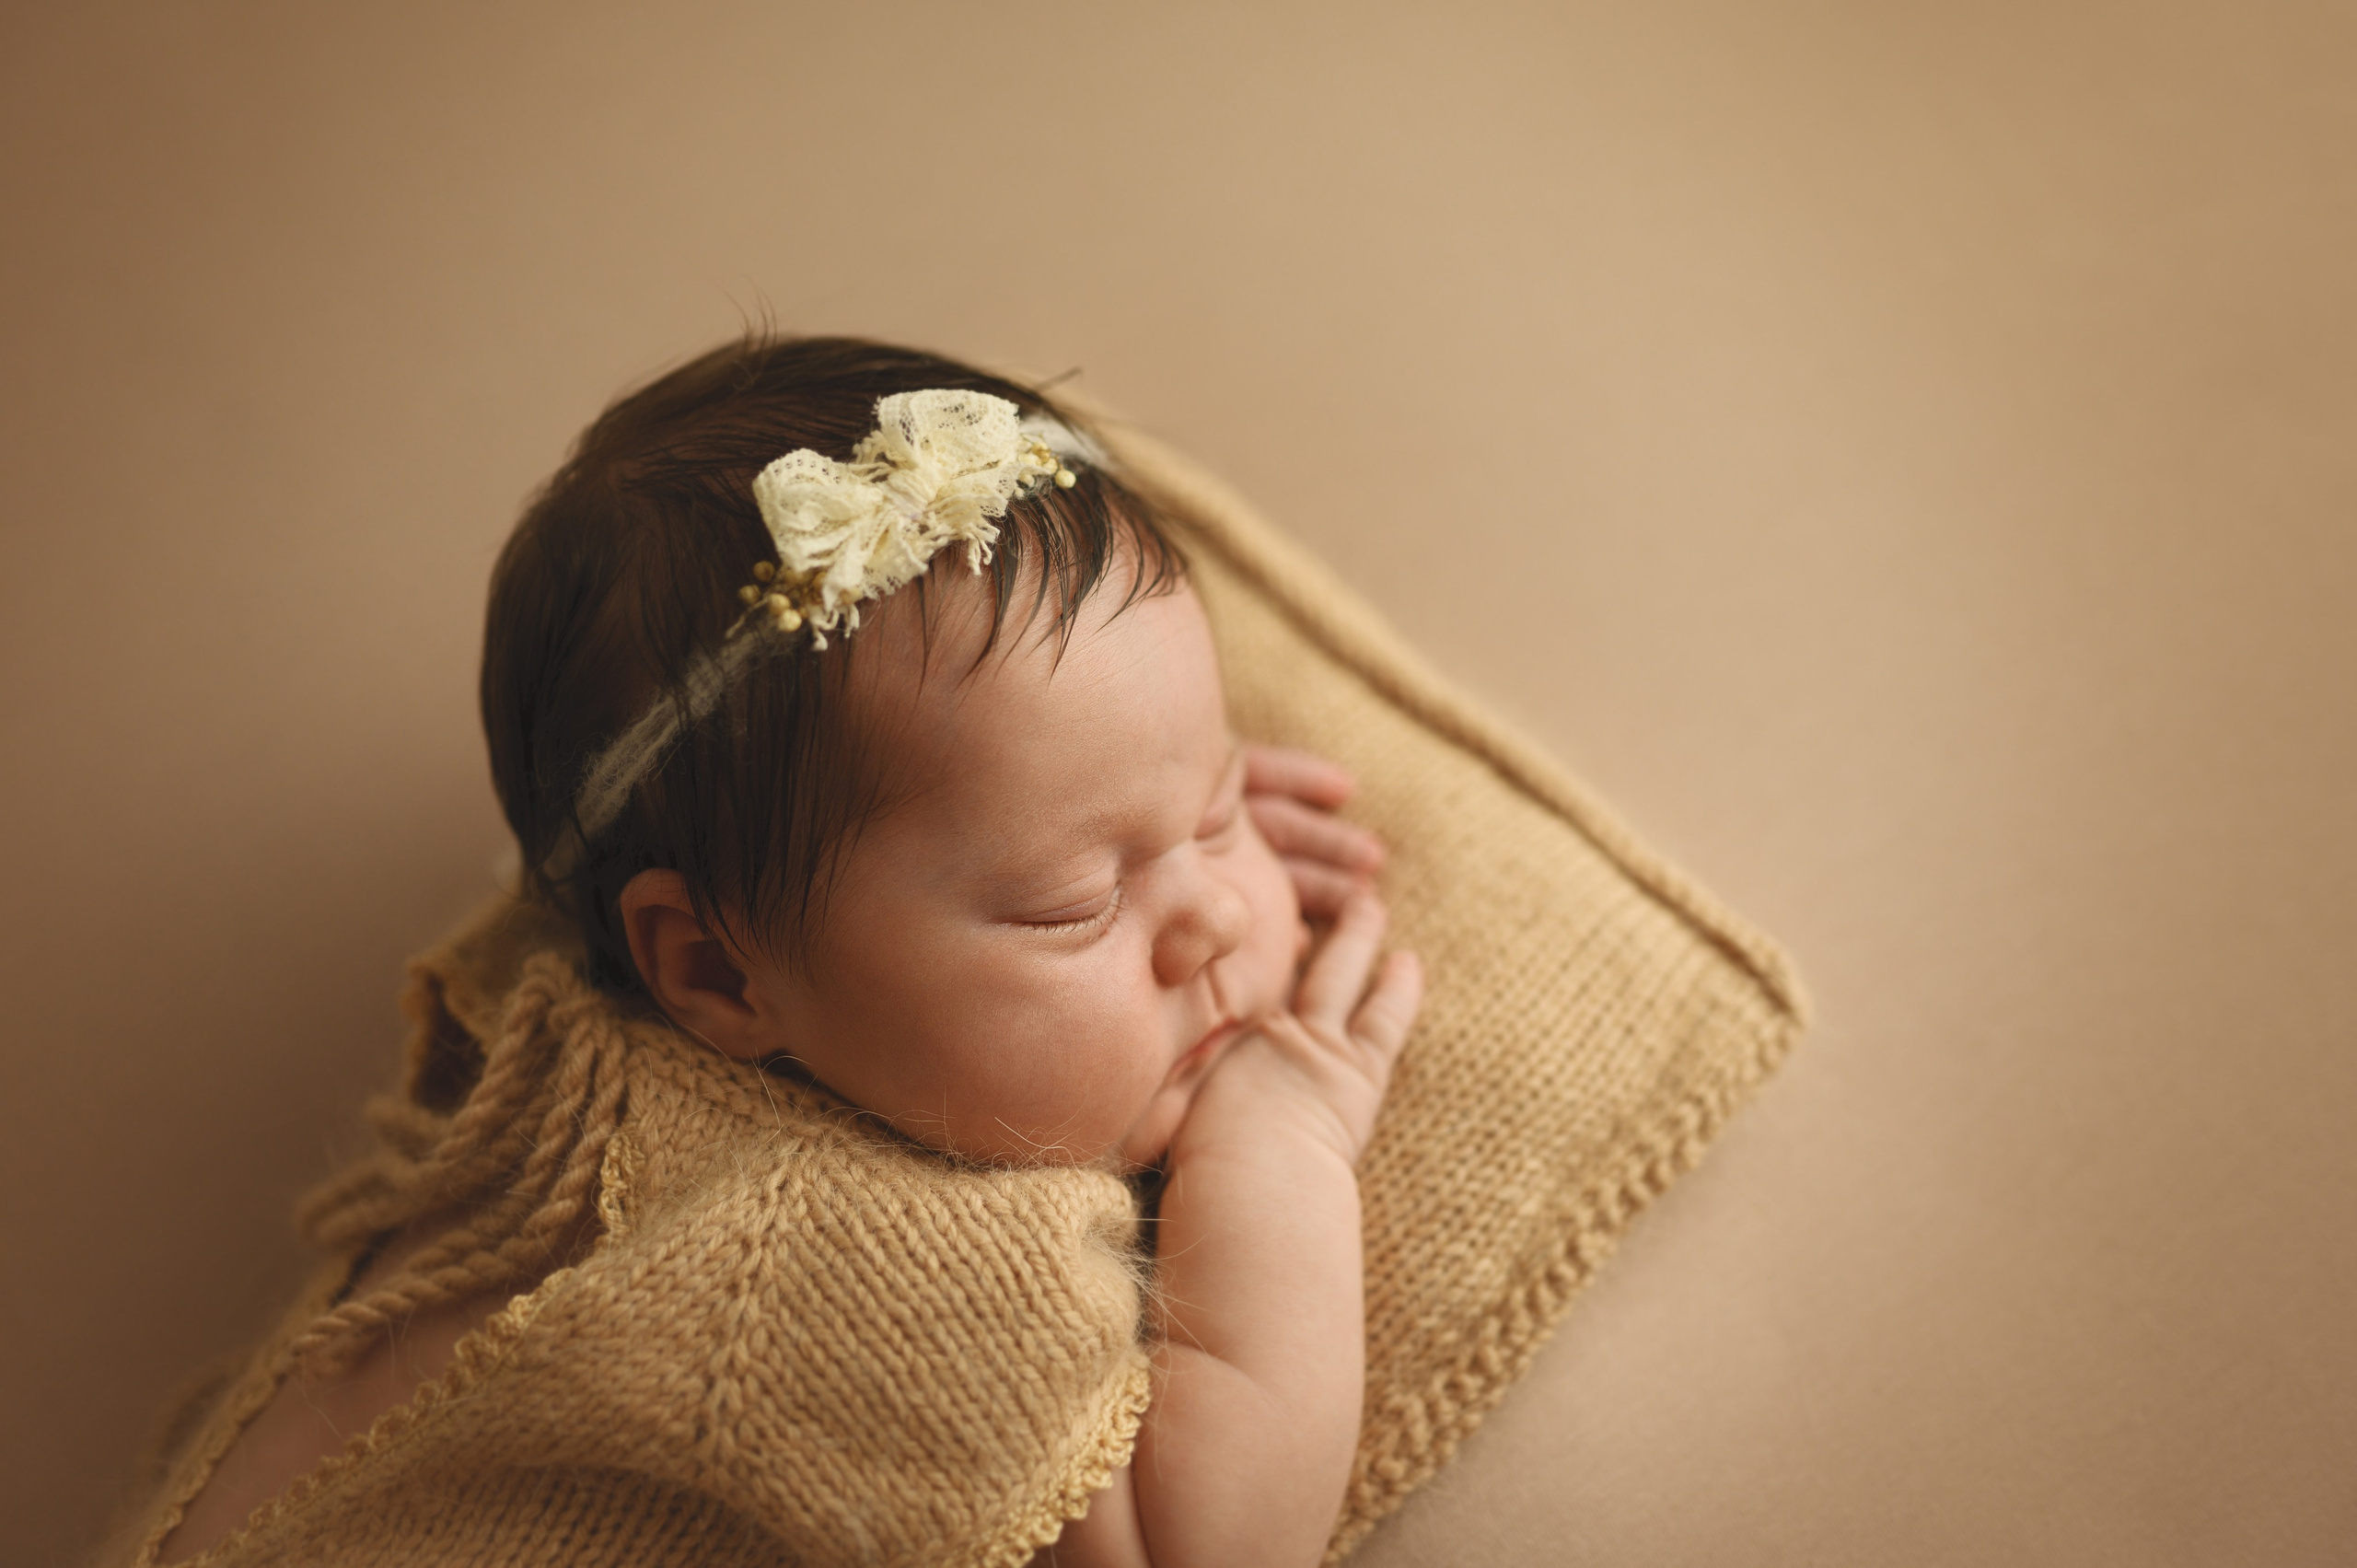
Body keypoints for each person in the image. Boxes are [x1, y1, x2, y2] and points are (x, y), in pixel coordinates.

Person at [145, 334, 1423, 1568]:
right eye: (1067, 902)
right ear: (709, 973)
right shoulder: (833, 1253)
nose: (1216, 914)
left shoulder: (722, 1025)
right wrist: (1283, 1146)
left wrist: (1141, 826)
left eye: (1219, 808)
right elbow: (1206, 1548)